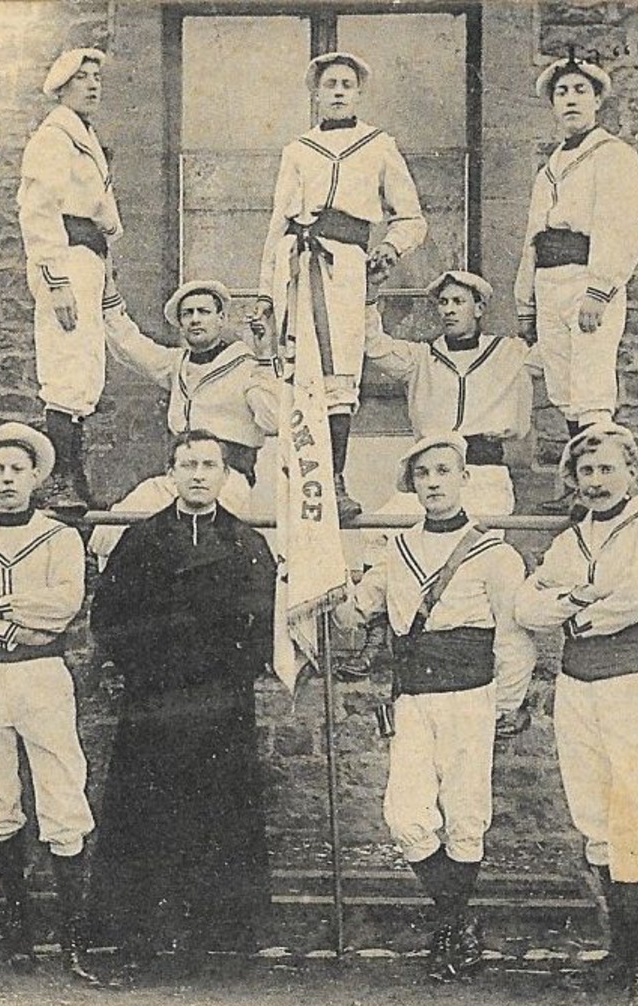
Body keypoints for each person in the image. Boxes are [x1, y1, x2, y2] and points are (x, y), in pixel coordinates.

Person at [334, 434, 535, 982]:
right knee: (407, 818)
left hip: (471, 696)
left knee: (466, 818)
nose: (435, 483)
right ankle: (459, 922)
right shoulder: (396, 549)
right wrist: (319, 577)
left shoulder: (495, 553)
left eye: (444, 471)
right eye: (424, 475)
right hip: (413, 699)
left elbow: (515, 638)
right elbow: (356, 613)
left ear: (464, 478)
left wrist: (508, 703)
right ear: (413, 485)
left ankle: (449, 934)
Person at [88, 429, 278, 977]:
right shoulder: (141, 542)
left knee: (218, 813)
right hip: (156, 700)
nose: (198, 474)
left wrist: (230, 671)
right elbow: (111, 618)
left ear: (224, 476)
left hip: (221, 703)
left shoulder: (247, 545)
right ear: (170, 474)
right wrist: (148, 669)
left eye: (209, 465)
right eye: (188, 464)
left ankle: (214, 941)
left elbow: (262, 623)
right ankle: (137, 938)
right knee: (146, 816)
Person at [513, 422, 638, 1006]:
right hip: (578, 687)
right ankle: (619, 954)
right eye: (586, 471)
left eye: (607, 468)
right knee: (595, 817)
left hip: (636, 684)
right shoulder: (570, 539)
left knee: (636, 815)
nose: (596, 481)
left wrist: (580, 609)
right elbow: (527, 605)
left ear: (630, 472)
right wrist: (582, 596)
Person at [0, 422, 100, 985]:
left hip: (42, 677)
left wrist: (3, 602)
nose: (8, 479)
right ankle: (20, 934)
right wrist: (10, 630)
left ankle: (74, 945)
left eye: (17, 470)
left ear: (36, 477)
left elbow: (63, 605)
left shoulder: (59, 538)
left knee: (62, 798)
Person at [340, 268, 538, 678]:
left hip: (482, 471)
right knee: (383, 534)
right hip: (429, 469)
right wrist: (369, 292)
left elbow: (555, 354)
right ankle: (378, 638)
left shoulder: (509, 353)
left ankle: (492, 660)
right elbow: (373, 344)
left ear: (479, 308)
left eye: (458, 302)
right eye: (443, 303)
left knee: (476, 552)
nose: (448, 310)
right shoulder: (422, 357)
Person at [255, 51, 427, 521]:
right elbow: (276, 225)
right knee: (298, 368)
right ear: (315, 92)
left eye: (345, 85)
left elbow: (411, 216)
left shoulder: (377, 145)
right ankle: (305, 482)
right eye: (329, 84)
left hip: (346, 266)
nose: (336, 92)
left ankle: (334, 480)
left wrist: (390, 248)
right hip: (296, 265)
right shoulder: (297, 150)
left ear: (357, 93)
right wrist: (266, 295)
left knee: (340, 372)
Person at [515, 58, 638, 513]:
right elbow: (533, 237)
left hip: (587, 279)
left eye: (579, 90)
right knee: (565, 390)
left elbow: (622, 227)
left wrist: (600, 288)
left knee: (591, 388)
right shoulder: (549, 168)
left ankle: (602, 491)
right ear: (552, 104)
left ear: (596, 99)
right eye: (561, 93)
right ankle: (579, 490)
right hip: (550, 281)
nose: (570, 99)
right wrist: (527, 303)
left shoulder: (613, 155)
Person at [90, 278, 277, 563]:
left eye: (204, 312)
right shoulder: (177, 363)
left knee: (201, 543)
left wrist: (265, 358)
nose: (195, 320)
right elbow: (131, 346)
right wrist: (109, 295)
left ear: (221, 318)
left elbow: (273, 419)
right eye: (187, 314)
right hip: (178, 475)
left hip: (229, 477)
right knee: (114, 525)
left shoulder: (246, 366)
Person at [19, 47, 123, 512]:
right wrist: (55, 280)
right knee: (65, 366)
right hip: (63, 256)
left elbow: (101, 207)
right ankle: (61, 478)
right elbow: (39, 211)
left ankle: (73, 477)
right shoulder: (54, 137)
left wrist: (110, 232)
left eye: (97, 77)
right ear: (61, 87)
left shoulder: (85, 137)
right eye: (82, 78)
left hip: (87, 258)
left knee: (84, 370)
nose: (93, 85)